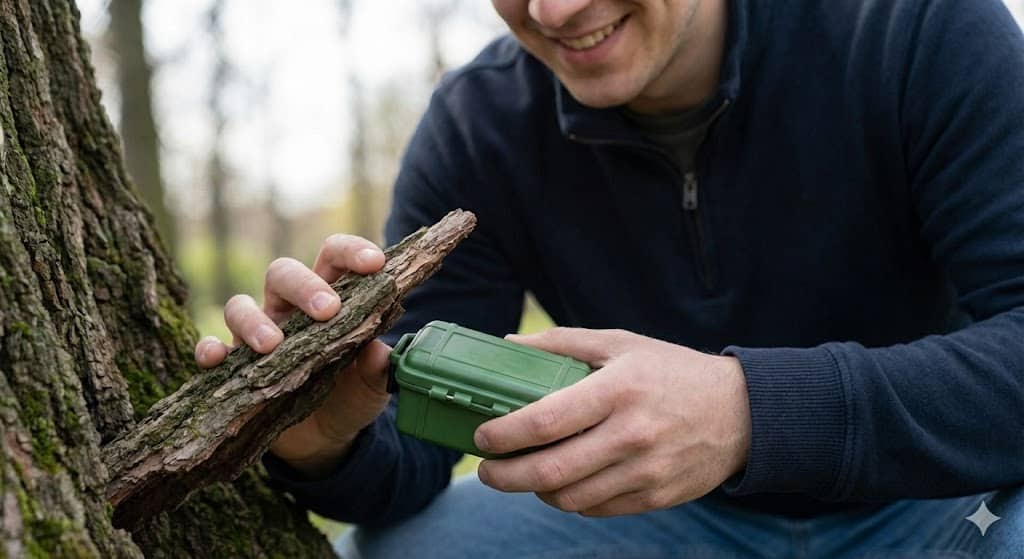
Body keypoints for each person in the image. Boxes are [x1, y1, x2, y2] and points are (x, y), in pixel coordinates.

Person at [195, 0, 1024, 557]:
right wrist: (324, 437)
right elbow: (413, 456)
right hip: (650, 520)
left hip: (948, 498)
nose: (554, 10)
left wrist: (747, 411)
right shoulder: (480, 124)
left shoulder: (921, 28)